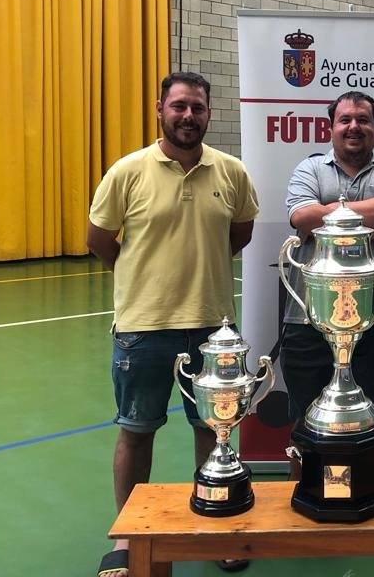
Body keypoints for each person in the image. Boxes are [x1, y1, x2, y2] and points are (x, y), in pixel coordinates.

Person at [88, 72, 259, 577]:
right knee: (136, 432)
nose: (189, 116)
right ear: (160, 108)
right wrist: (145, 275)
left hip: (212, 328)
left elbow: (241, 232)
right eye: (179, 106)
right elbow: (100, 240)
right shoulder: (128, 171)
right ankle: (126, 536)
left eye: (198, 108)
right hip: (143, 328)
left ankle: (214, 521)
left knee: (214, 432)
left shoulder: (231, 173)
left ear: (209, 113)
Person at [280, 91, 374, 447]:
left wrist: (328, 214)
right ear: (331, 127)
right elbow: (301, 216)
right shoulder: (308, 169)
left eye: (363, 120)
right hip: (308, 319)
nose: (354, 126)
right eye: (345, 120)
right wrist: (373, 225)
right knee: (304, 423)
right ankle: (301, 495)